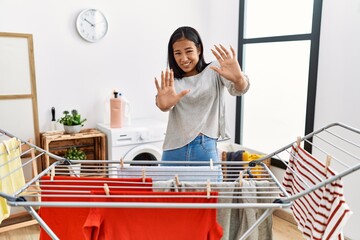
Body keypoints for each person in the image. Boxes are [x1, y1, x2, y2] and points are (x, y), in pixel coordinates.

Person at [154, 26, 249, 165]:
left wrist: (239, 79)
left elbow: (239, 90)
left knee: (209, 187)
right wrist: (163, 104)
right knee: (166, 187)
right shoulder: (171, 80)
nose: (184, 58)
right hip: (173, 148)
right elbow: (163, 105)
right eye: (177, 53)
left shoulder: (214, 70)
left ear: (199, 49)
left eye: (189, 51)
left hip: (204, 147)